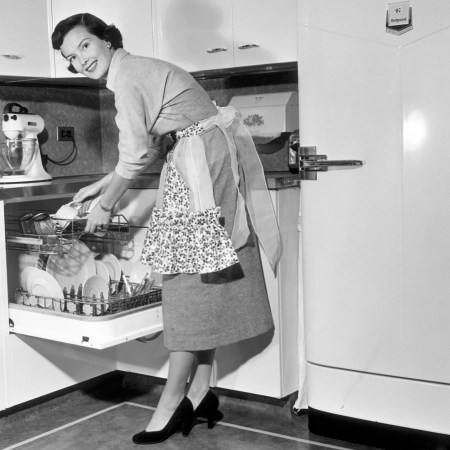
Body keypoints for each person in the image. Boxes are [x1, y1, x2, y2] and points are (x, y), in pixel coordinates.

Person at [52, 13, 282, 445]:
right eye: (70, 57)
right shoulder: (137, 70)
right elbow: (151, 144)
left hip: (199, 164)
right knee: (204, 278)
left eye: (84, 46)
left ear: (105, 39)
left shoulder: (130, 75)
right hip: (201, 159)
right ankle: (199, 389)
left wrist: (106, 204)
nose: (79, 60)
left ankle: (173, 399)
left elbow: (137, 152)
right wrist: (99, 185)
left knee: (184, 285)